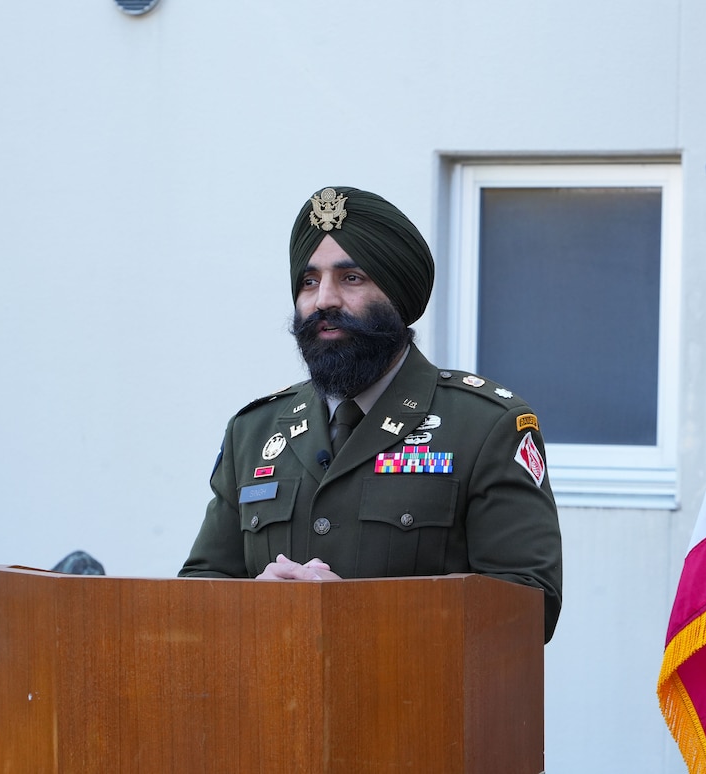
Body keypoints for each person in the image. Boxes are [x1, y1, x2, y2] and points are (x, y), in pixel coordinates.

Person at [179, 186, 562, 642]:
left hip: (418, 709)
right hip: (277, 707)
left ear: (397, 296)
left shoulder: (485, 425)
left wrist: (359, 615)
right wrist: (251, 602)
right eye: (309, 281)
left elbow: (528, 609)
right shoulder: (255, 430)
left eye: (351, 278)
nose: (324, 300)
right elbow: (200, 587)